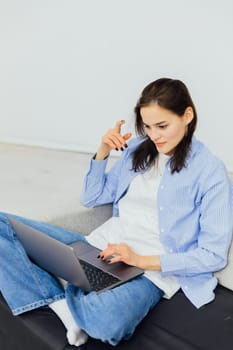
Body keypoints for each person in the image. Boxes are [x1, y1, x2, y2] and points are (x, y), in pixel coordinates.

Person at [0, 78, 232, 348]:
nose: (154, 135)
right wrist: (103, 152)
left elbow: (212, 255)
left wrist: (140, 259)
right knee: (3, 224)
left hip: (148, 272)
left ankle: (68, 282)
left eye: (162, 126)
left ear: (187, 116)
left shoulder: (211, 173)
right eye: (147, 126)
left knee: (106, 322)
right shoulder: (138, 151)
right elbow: (93, 197)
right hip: (99, 248)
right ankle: (64, 305)